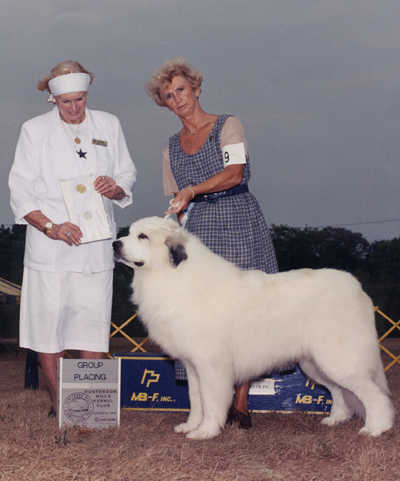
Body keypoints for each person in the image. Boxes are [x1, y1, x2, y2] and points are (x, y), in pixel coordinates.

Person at [146, 57, 278, 429]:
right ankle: (208, 403)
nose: (178, 99)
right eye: (169, 96)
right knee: (202, 318)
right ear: (165, 104)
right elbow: (174, 202)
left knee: (245, 310)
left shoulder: (228, 125)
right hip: (197, 231)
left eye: (182, 90)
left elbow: (235, 173)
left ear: (197, 89)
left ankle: (241, 399)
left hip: (237, 218)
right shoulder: (171, 147)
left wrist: (192, 189)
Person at [9, 60, 136, 416]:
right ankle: (58, 404)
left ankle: (88, 410)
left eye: (80, 100)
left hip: (95, 249)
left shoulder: (108, 124)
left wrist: (117, 186)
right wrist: (52, 227)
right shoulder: (33, 131)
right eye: (66, 102)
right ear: (53, 100)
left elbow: (126, 171)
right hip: (49, 248)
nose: (75, 108)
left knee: (92, 325)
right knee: (48, 329)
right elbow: (19, 192)